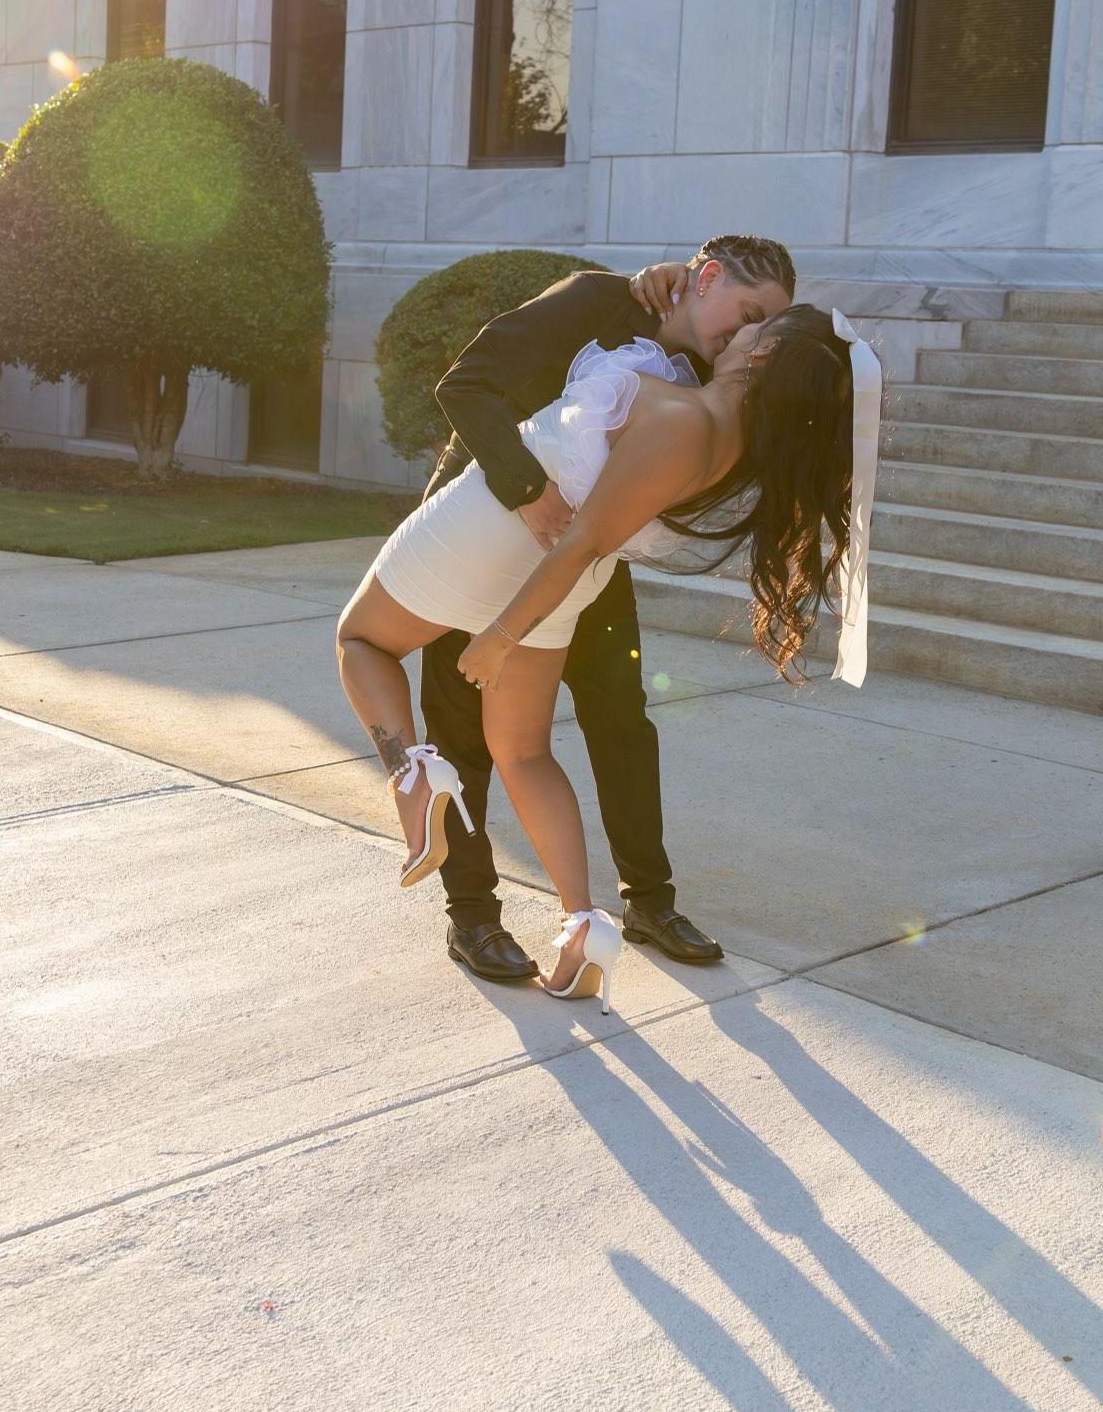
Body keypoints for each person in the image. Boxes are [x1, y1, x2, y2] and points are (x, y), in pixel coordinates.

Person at [335, 304, 867, 1003]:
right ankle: (582, 925)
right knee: (524, 753)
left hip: (499, 531)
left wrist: (498, 636)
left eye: (755, 327)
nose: (739, 330)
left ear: (762, 357)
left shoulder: (681, 418)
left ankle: (411, 773)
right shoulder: (732, 442)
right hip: (568, 584)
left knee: (361, 640)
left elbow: (583, 534)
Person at [421, 240, 795, 984]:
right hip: (477, 543)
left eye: (764, 327)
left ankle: (650, 903)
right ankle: (473, 916)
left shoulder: (714, 375)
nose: (748, 335)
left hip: (586, 565)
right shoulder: (595, 299)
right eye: (748, 312)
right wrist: (529, 490)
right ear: (707, 277)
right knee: (460, 735)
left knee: (622, 722)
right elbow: (463, 386)